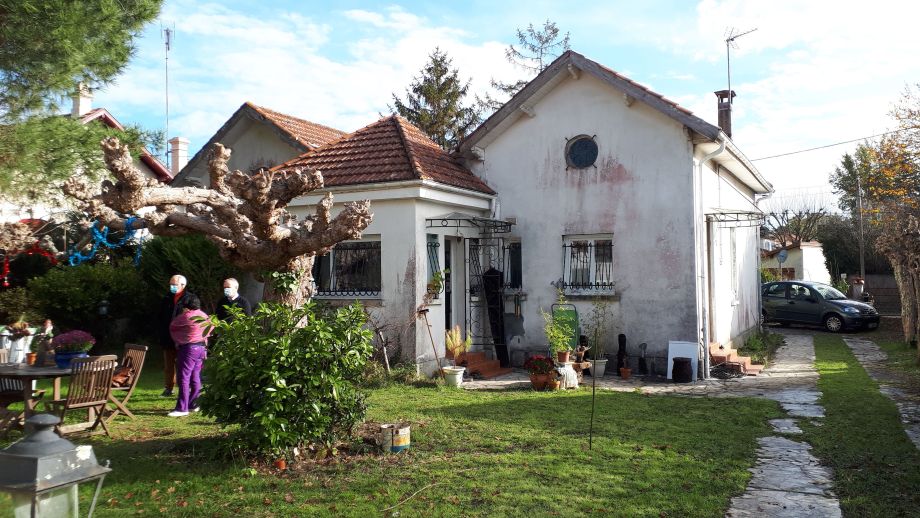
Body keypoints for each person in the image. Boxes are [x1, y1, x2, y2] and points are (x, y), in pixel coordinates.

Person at [167, 294, 210, 417]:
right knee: (196, 376)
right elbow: (210, 328)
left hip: (189, 349)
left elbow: (173, 327)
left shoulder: (186, 316)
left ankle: (182, 408)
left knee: (184, 378)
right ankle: (193, 404)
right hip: (202, 348)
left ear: (186, 306)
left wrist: (183, 338)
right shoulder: (203, 315)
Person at [158, 275, 195, 397]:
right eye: (171, 284)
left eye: (175, 284)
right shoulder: (167, 298)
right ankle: (168, 387)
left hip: (183, 338)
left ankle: (184, 388)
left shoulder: (190, 299)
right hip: (168, 337)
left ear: (183, 285)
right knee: (168, 365)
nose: (172, 287)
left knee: (183, 365)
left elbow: (195, 317)